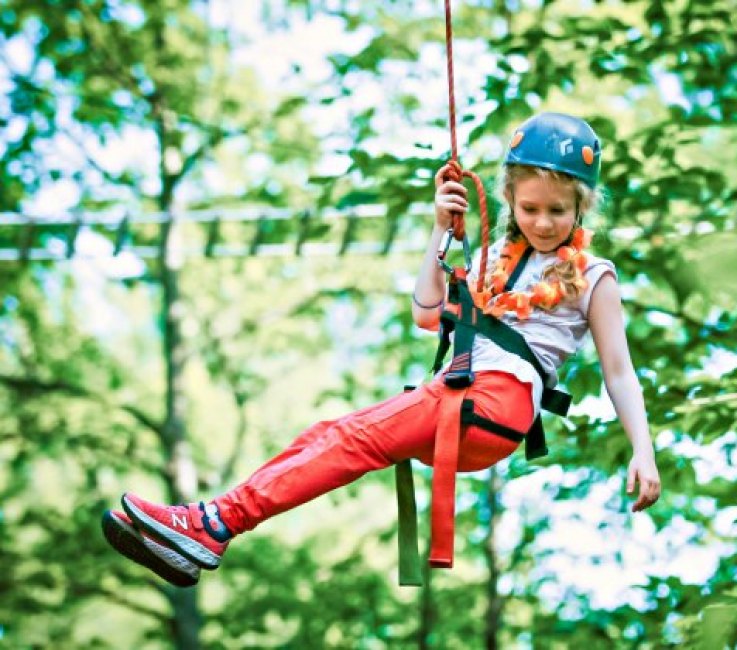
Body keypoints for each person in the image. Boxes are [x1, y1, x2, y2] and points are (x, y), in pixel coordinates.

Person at [103, 112, 661, 586]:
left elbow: (620, 373)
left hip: (496, 404)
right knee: (326, 435)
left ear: (582, 208)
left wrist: (643, 449)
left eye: (557, 211)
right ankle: (205, 532)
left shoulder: (592, 276)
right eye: (530, 208)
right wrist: (439, 230)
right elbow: (426, 312)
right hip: (456, 391)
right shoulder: (495, 259)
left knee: (349, 439)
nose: (542, 222)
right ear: (510, 198)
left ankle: (212, 524)